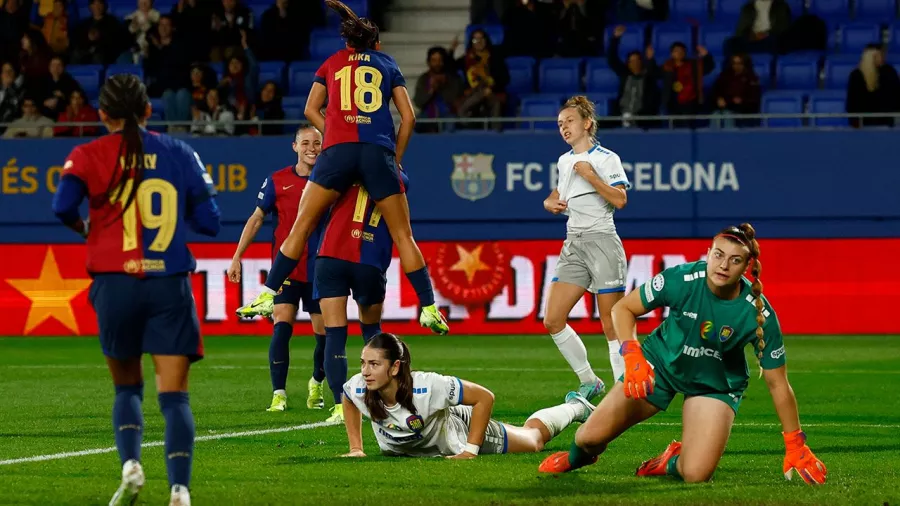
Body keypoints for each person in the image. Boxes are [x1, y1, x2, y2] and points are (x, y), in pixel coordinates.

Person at [537, 224, 828, 486]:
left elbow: (778, 384)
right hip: (660, 366)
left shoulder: (758, 313)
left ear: (747, 267)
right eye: (718, 254)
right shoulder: (683, 279)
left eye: (735, 260)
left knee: (696, 474)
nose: (723, 265)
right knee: (588, 438)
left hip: (714, 384)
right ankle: (576, 459)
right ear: (708, 253)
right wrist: (632, 354)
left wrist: (795, 442)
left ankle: (671, 461)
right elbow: (623, 309)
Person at [50, 74, 221, 506]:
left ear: (102, 113)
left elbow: (61, 206)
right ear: (148, 110)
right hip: (168, 286)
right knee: (175, 395)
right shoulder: (179, 152)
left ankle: (130, 466)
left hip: (114, 283)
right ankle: (179, 490)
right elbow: (210, 222)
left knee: (127, 389)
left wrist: (86, 228)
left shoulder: (87, 154)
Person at [235, 0, 449, 337]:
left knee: (302, 225)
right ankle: (429, 307)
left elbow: (310, 108)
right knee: (403, 234)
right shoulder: (387, 63)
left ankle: (267, 294)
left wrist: (335, 132)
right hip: (378, 152)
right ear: (375, 43)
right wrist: (396, 157)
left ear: (347, 43)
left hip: (337, 152)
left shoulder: (332, 62)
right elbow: (409, 117)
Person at [340, 333, 595, 458]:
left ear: (395, 367)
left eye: (374, 364)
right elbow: (348, 397)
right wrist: (356, 448)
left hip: (459, 426)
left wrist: (470, 451)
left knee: (533, 439)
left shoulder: (428, 386)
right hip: (433, 433)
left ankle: (576, 407)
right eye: (363, 363)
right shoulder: (360, 387)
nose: (365, 371)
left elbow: (484, 397)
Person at [227, 126, 327, 414]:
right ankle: (279, 394)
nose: (312, 147)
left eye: (317, 143)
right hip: (285, 272)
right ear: (294, 146)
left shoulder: (330, 181)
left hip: (320, 269)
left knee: (324, 335)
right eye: (305, 142)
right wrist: (237, 256)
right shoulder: (277, 180)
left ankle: (317, 382)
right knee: (282, 326)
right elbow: (256, 218)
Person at [541, 95, 631, 402]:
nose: (564, 127)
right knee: (552, 319)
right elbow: (560, 191)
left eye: (569, 121)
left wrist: (591, 176)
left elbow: (620, 200)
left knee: (611, 323)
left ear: (587, 123)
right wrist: (549, 201)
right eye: (560, 124)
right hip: (573, 244)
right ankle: (590, 381)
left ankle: (624, 389)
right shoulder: (565, 161)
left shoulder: (607, 158)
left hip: (603, 241)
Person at [312, 167, 410, 423]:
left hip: (333, 253)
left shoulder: (343, 166)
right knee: (372, 330)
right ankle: (384, 400)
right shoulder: (398, 176)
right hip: (371, 258)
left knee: (335, 332)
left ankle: (338, 406)